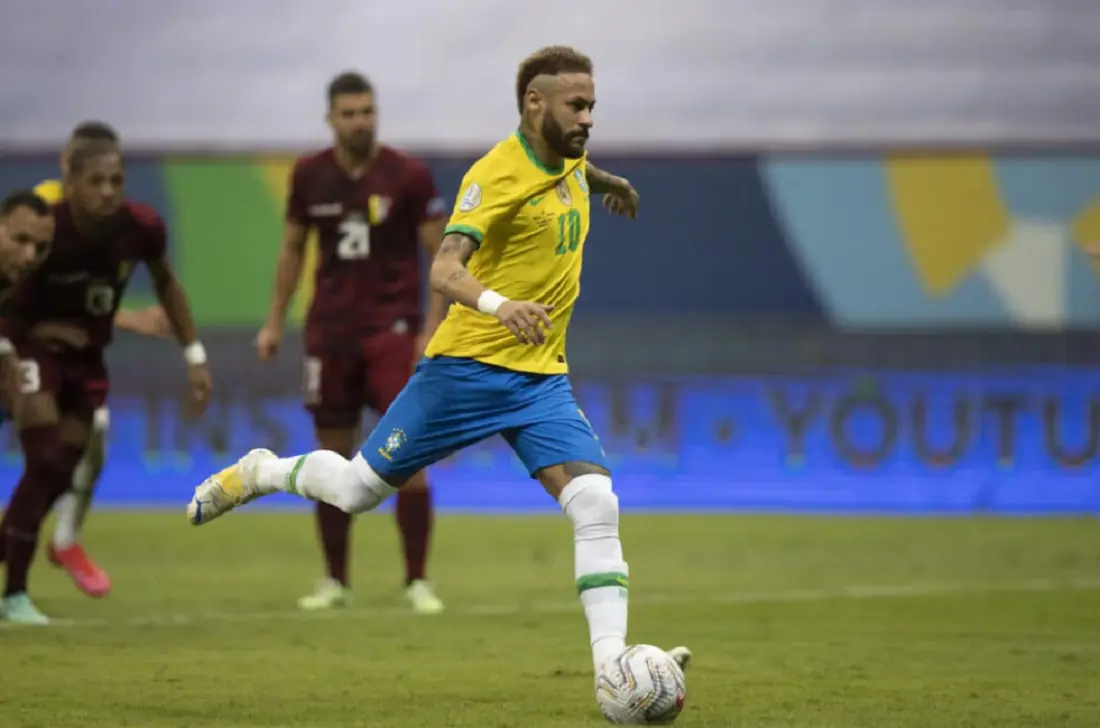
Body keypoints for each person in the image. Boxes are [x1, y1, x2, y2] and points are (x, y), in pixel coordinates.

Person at [187, 45, 691, 691]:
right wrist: (502, 305)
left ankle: (611, 668)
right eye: (576, 106)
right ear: (534, 103)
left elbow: (575, 169)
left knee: (596, 500)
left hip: (540, 378)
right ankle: (261, 471)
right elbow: (445, 269)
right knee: (357, 491)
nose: (588, 118)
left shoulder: (569, 156)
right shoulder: (495, 175)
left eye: (592, 106)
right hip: (464, 371)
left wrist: (607, 182)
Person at [255, 72, 446, 614]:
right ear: (331, 118)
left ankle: (417, 581)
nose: (360, 122)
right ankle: (336, 580)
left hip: (392, 332)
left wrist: (432, 328)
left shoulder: (408, 176)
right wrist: (274, 321)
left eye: (367, 112)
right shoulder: (310, 175)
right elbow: (293, 249)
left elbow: (442, 255)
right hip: (330, 333)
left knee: (408, 452)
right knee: (331, 456)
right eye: (350, 114)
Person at [1, 141, 212, 624]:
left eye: (115, 180)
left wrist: (193, 354)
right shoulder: (44, 227)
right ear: (70, 181)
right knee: (45, 457)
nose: (107, 191)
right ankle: (14, 592)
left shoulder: (138, 229)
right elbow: (16, 301)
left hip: (86, 362)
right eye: (95, 181)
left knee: (58, 471)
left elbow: (161, 285)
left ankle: (30, 558)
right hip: (31, 354)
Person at [31, 121, 171, 599]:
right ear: (67, 166)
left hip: (68, 358)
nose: (105, 188)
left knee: (95, 431)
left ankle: (64, 540)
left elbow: (86, 297)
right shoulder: (44, 212)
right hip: (23, 347)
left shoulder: (113, 218)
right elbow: (33, 294)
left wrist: (129, 319)